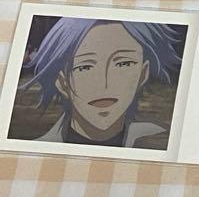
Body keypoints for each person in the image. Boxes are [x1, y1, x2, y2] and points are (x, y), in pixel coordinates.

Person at [22, 18, 183, 147]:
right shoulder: (33, 151)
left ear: (143, 74)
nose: (104, 84)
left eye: (123, 64)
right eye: (84, 67)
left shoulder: (162, 143)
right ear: (62, 81)